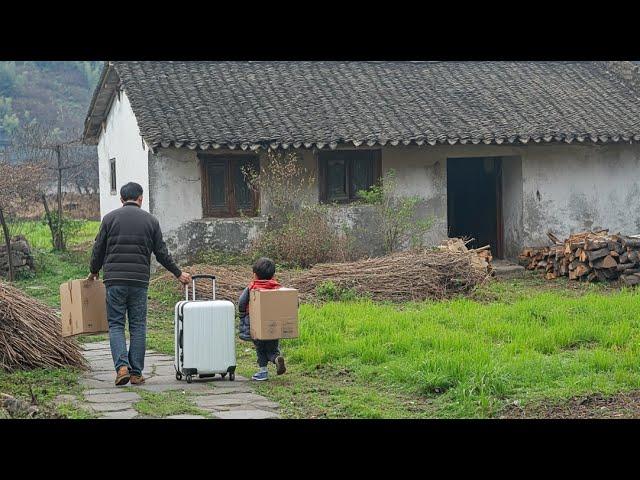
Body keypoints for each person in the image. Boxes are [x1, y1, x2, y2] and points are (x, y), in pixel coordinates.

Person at [88, 182, 191, 386]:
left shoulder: (109, 219)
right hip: (139, 281)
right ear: (141, 198)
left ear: (121, 199)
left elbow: (98, 248)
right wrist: (178, 273)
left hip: (114, 281)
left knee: (116, 324)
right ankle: (136, 373)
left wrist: (93, 270)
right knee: (138, 325)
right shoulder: (151, 221)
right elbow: (161, 253)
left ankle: (121, 368)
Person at [238, 257, 286, 381]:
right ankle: (276, 359)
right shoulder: (277, 288)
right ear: (273, 275)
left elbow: (241, 302)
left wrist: (243, 315)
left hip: (256, 325)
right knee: (272, 348)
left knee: (260, 349)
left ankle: (263, 371)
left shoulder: (252, 288)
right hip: (273, 325)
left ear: (255, 275)